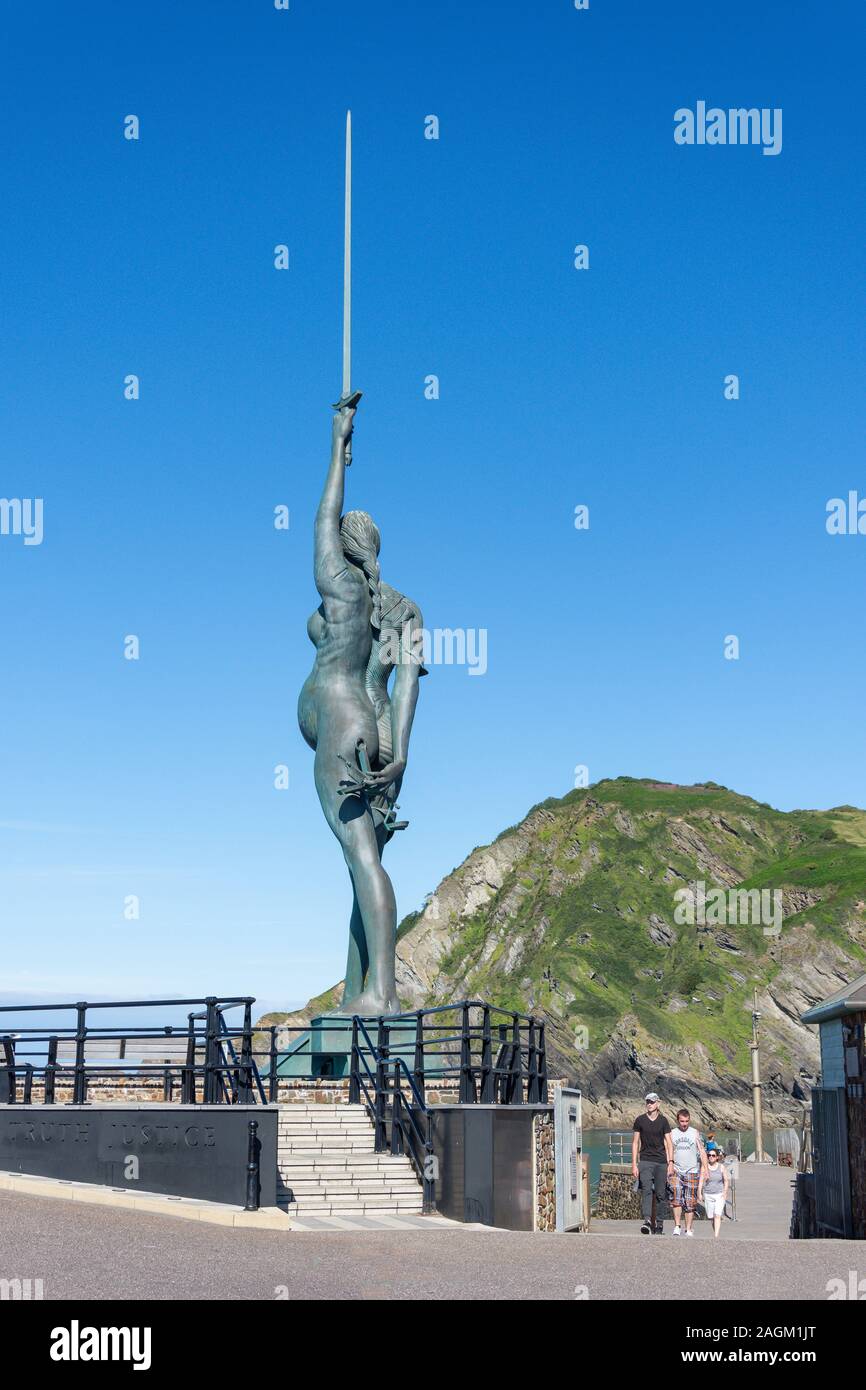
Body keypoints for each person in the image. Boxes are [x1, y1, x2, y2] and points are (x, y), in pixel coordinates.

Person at [632, 1092, 673, 1235]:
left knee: (661, 1194)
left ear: (658, 1103)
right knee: (647, 1191)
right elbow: (635, 1142)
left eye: (652, 1102)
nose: (649, 1104)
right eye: (648, 1102)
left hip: (661, 1162)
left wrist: (671, 1163)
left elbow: (669, 1143)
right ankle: (647, 1221)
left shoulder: (663, 1121)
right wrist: (634, 1164)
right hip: (645, 1161)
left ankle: (660, 1223)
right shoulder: (640, 1120)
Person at [670, 1108, 707, 1236]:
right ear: (677, 1121)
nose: (684, 1124)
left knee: (690, 1201)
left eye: (686, 1121)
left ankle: (688, 1229)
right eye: (682, 1121)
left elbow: (702, 1151)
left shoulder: (695, 1133)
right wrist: (669, 1166)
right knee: (676, 1199)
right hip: (676, 1170)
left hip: (692, 1170)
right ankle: (677, 1226)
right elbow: (668, 1151)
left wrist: (706, 1169)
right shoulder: (672, 1133)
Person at [698, 1146, 730, 1237]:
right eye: (709, 1155)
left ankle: (716, 1236)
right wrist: (699, 1192)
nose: (711, 1157)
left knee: (717, 1215)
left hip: (719, 1194)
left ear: (717, 1157)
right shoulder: (704, 1167)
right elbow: (701, 1181)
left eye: (713, 1155)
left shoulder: (721, 1167)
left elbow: (726, 1181)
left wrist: (725, 1192)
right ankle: (715, 1232)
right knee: (711, 1217)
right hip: (708, 1194)